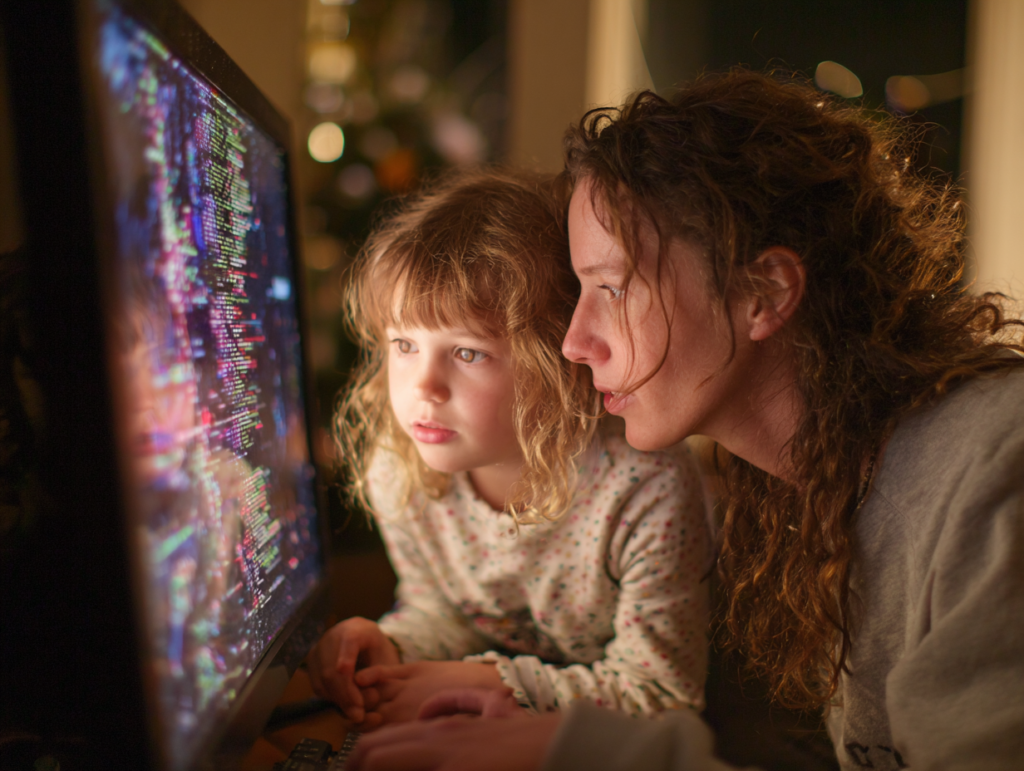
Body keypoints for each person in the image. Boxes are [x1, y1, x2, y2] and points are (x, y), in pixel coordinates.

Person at [346, 70, 1024, 771]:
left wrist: (585, 750)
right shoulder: (808, 501)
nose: (574, 344)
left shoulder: (995, 466)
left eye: (611, 287)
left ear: (764, 292)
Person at [307, 168, 711, 730]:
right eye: (404, 344)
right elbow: (444, 613)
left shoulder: (644, 487)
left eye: (468, 353)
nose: (423, 387)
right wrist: (391, 645)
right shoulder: (400, 469)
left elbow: (663, 693)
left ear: (555, 364)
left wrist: (490, 683)